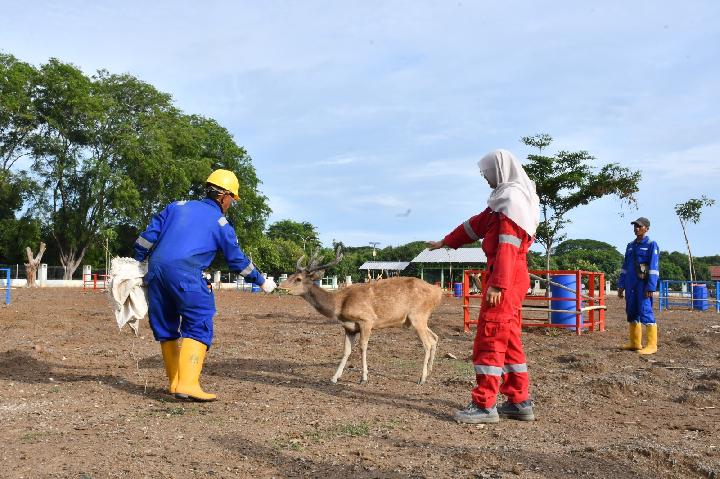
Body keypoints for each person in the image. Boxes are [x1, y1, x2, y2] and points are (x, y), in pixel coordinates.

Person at [133, 169, 276, 402]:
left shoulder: (175, 207)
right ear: (223, 196)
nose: (231, 204)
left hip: (156, 271)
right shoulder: (220, 223)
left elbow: (146, 238)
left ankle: (175, 382)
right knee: (199, 321)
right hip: (186, 273)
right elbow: (236, 259)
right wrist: (261, 281)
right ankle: (188, 384)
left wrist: (138, 259)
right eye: (232, 199)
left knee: (166, 326)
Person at [428, 149, 540, 424]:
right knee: (509, 338)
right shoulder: (504, 203)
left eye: (486, 173)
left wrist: (498, 286)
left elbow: (507, 248)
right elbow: (476, 225)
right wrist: (446, 241)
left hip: (506, 277)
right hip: (510, 277)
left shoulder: (511, 203)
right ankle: (519, 400)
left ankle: (484, 405)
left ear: (499, 170)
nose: (485, 178)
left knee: (489, 338)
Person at [617, 217, 660, 355]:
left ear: (646, 228)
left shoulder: (652, 244)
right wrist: (621, 285)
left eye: (639, 226)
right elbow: (625, 267)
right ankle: (635, 343)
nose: (636, 228)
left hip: (643, 284)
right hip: (630, 283)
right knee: (631, 310)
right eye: (635, 226)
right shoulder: (630, 246)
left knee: (645, 310)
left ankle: (652, 345)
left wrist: (651, 287)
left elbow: (654, 268)